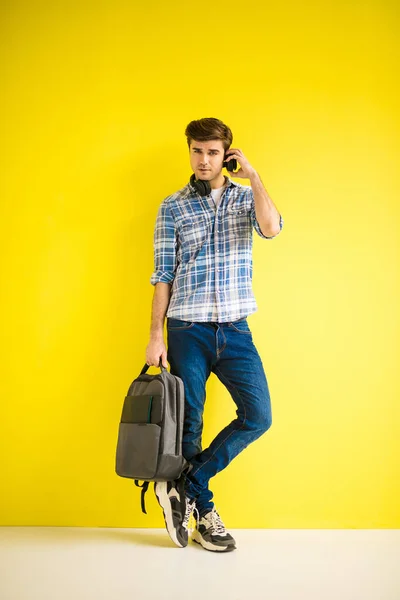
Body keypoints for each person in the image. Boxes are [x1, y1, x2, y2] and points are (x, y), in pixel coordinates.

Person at [145, 117, 284, 552]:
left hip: (236, 329)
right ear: (188, 151)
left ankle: (185, 484)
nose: (203, 160)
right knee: (191, 424)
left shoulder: (247, 198)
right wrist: (156, 335)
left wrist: (255, 177)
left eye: (212, 152)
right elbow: (163, 274)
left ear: (227, 155)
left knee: (258, 415)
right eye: (196, 151)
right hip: (187, 327)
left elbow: (272, 228)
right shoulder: (172, 206)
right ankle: (204, 514)